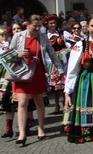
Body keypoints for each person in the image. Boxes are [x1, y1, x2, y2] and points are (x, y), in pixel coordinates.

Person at [8, 14, 63, 146]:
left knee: (39, 102)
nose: (37, 28)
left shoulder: (42, 37)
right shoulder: (18, 36)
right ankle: (22, 133)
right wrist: (18, 54)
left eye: (39, 26)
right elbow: (9, 54)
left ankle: (41, 127)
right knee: (22, 102)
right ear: (28, 24)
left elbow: (52, 54)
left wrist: (59, 69)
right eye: (35, 26)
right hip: (21, 73)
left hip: (37, 72)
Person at [63, 13, 93, 154]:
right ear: (87, 27)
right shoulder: (80, 45)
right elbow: (72, 70)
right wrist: (67, 92)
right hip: (87, 83)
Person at [43, 14, 69, 113]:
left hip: (62, 62)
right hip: (52, 62)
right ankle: (57, 105)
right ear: (47, 25)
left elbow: (70, 44)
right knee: (55, 86)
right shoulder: (45, 36)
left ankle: (64, 104)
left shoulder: (63, 33)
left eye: (54, 23)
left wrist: (63, 52)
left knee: (63, 84)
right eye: (50, 23)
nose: (53, 25)